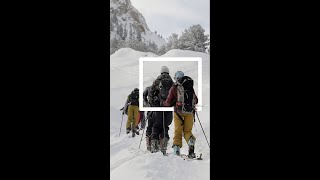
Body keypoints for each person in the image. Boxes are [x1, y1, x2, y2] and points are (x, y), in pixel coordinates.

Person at [163, 71, 198, 158]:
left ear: (177, 78)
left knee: (178, 132)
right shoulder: (189, 87)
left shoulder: (174, 87)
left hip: (178, 113)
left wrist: (164, 102)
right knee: (187, 131)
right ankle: (191, 143)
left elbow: (168, 102)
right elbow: (196, 100)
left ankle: (176, 150)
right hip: (189, 112)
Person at [150, 66, 174, 154]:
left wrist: (153, 103)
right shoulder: (172, 82)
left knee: (156, 126)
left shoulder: (157, 81)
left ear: (161, 72)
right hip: (168, 107)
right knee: (165, 126)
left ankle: (154, 146)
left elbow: (151, 93)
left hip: (158, 107)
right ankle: (163, 146)